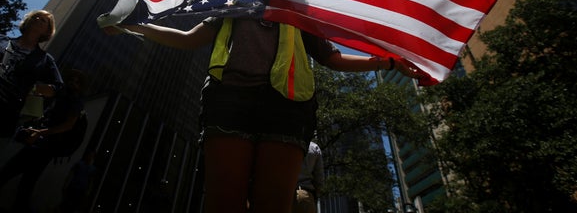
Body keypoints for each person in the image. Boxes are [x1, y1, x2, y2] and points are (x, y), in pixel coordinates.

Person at [104, 17, 428, 213]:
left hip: (285, 109)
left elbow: (332, 58)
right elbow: (190, 39)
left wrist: (386, 62)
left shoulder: (300, 12)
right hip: (229, 102)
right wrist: (134, 27)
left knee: (272, 207)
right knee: (223, 206)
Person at [0, 68, 86, 213]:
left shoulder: (76, 101)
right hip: (41, 144)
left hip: (45, 147)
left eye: (77, 81)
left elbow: (68, 125)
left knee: (12, 174)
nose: (73, 82)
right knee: (25, 183)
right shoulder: (63, 92)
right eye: (71, 79)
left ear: (81, 86)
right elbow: (45, 91)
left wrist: (41, 132)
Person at [1, 10, 63, 139]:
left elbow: (58, 88)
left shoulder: (44, 59)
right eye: (35, 16)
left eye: (43, 20)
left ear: (47, 31)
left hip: (6, 113)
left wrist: (34, 88)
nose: (38, 19)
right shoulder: (2, 40)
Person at [58, 149, 97, 213]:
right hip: (73, 187)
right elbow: (71, 175)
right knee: (65, 205)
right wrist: (65, 185)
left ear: (93, 157)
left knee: (73, 207)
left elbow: (91, 181)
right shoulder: (79, 164)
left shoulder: (92, 169)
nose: (89, 157)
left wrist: (88, 192)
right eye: (89, 155)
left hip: (81, 191)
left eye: (91, 156)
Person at [292, 140, 325, 213]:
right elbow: (319, 179)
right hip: (305, 195)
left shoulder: (283, 144)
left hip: (284, 195)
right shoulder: (314, 147)